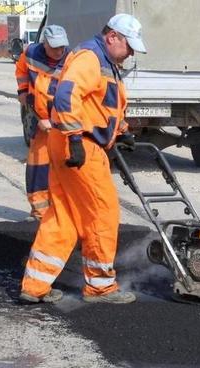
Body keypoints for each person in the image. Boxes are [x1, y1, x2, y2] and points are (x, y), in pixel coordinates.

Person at [19, 14, 147, 304]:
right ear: (113, 36)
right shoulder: (91, 58)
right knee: (103, 212)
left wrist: (122, 131)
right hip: (79, 145)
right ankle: (100, 287)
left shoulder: (105, 62)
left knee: (64, 215)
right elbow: (66, 96)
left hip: (69, 141)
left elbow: (100, 105)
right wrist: (75, 138)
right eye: (129, 45)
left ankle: (34, 285)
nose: (131, 52)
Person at [15, 25, 70, 220]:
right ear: (44, 44)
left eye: (62, 46)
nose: (59, 51)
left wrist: (54, 121)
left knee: (64, 169)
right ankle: (39, 211)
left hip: (62, 124)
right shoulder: (30, 53)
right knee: (38, 167)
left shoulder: (72, 60)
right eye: (54, 47)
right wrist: (22, 90)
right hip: (40, 123)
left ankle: (61, 212)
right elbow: (21, 69)